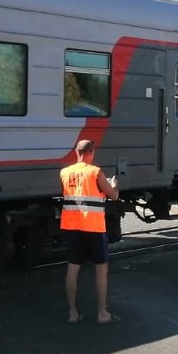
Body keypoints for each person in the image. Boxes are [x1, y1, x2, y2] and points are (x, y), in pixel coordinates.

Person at [59, 139, 120, 324]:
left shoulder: (64, 172)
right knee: (101, 270)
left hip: (72, 227)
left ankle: (73, 313)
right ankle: (102, 314)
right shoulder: (95, 172)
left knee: (73, 268)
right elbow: (114, 196)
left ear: (76, 152)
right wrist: (115, 184)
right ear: (91, 153)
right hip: (94, 228)